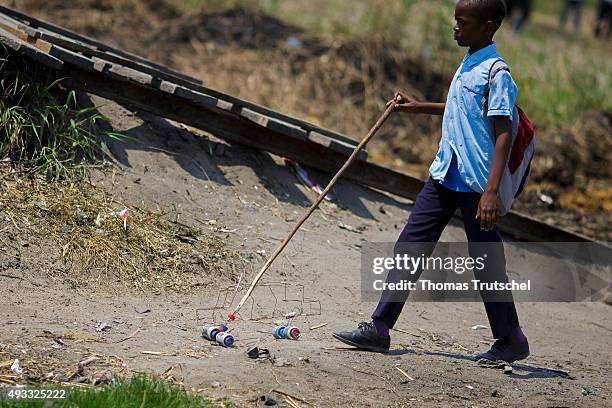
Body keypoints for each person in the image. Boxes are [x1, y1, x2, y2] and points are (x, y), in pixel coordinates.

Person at [332, 0, 530, 363]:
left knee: (488, 263)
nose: (455, 27)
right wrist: (419, 106)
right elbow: (462, 109)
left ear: (487, 26)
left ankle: (511, 339)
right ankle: (379, 328)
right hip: (445, 173)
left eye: (463, 22)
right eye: (455, 20)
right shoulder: (469, 60)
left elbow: (504, 131)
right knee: (410, 245)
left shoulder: (497, 73)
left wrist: (490, 193)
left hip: (476, 183)